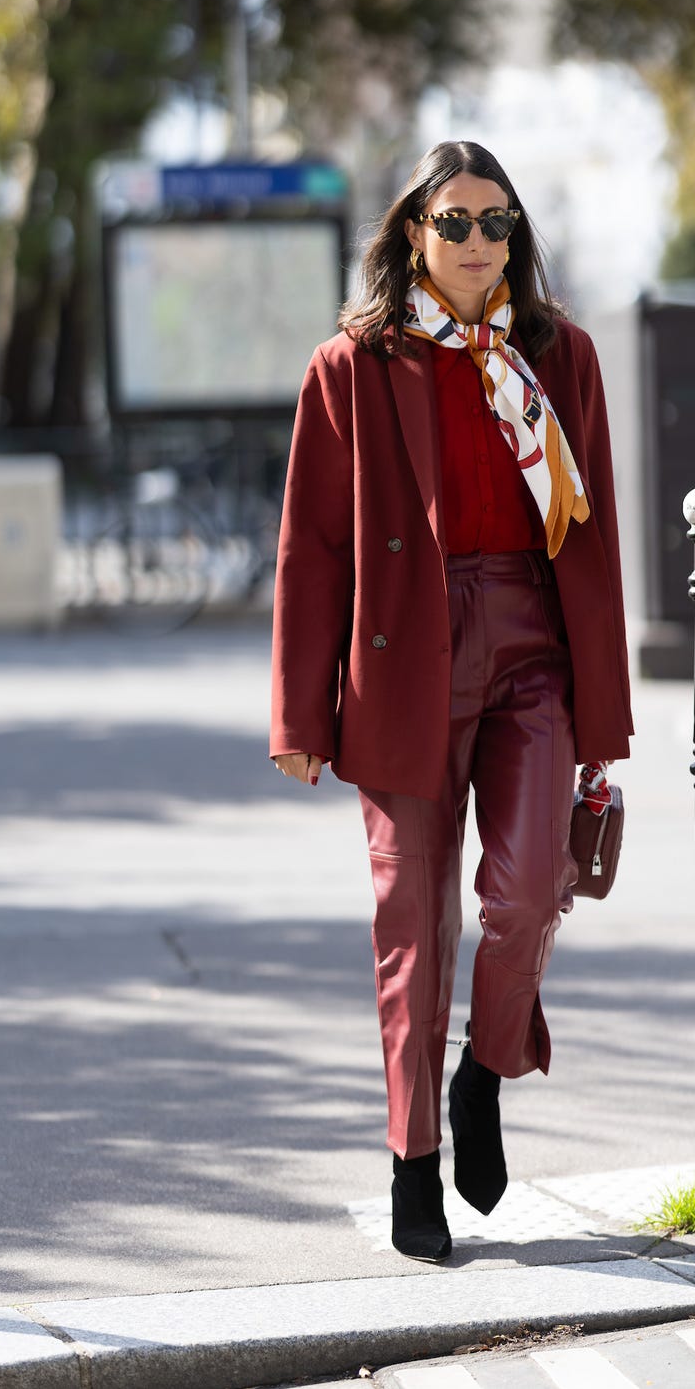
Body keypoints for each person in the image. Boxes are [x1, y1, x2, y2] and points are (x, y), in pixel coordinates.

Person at [270, 140, 633, 1264]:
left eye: (496, 223)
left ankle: (483, 1070)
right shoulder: (353, 366)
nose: (478, 242)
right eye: (455, 221)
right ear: (413, 232)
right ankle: (410, 1163)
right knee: (413, 929)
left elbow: (597, 530)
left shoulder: (556, 354)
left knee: (530, 885)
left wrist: (605, 704)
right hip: (404, 655)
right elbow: (313, 548)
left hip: (531, 645)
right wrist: (300, 709)